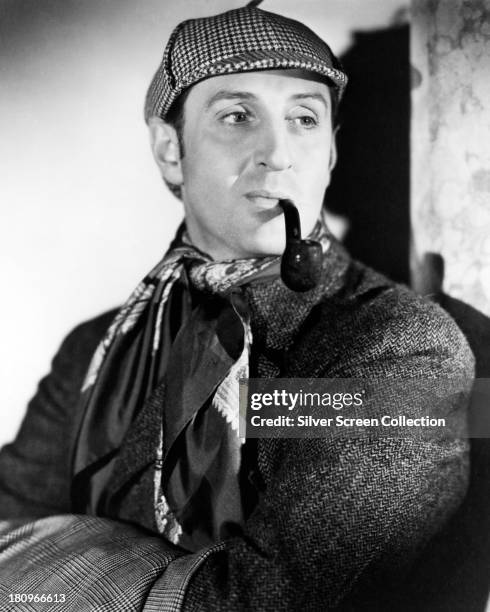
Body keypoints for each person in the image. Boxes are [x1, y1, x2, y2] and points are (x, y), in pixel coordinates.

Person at [0, 4, 475, 611]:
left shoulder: (398, 347)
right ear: (171, 151)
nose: (278, 153)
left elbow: (261, 602)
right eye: (237, 115)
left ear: (330, 153)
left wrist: (68, 566)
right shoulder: (94, 348)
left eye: (304, 119)